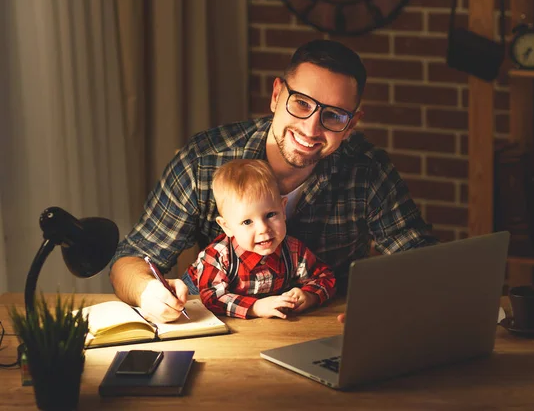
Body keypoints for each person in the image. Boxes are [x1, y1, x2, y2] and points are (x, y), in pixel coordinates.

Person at [110, 39, 436, 323]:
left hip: (327, 333)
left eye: (333, 115)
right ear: (277, 95)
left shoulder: (368, 172)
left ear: (351, 125)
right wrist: (148, 291)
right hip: (226, 338)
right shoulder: (203, 161)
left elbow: (425, 263)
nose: (311, 129)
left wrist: (389, 305)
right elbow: (130, 260)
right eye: (302, 104)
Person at [182, 159, 336, 319]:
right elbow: (212, 297)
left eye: (270, 215)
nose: (263, 229)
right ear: (226, 226)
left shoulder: (293, 251)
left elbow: (325, 277)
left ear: (283, 209)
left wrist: (309, 296)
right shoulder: (219, 256)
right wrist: (255, 307)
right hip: (202, 312)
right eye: (247, 222)